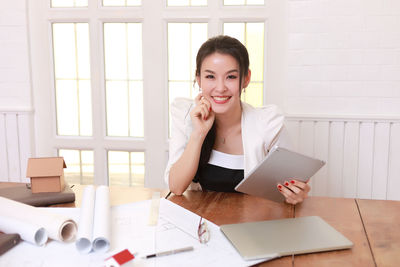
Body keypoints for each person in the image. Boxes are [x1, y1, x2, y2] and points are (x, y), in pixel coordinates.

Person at [164, 35, 310, 205]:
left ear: (246, 79)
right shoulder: (185, 115)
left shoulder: (267, 123)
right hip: (200, 224)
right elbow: (176, 187)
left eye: (231, 77)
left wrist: (295, 194)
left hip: (251, 225)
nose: (220, 88)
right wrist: (199, 133)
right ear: (198, 79)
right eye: (210, 77)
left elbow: (290, 187)